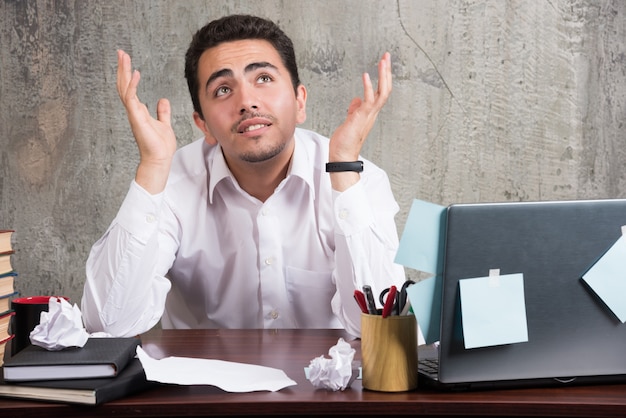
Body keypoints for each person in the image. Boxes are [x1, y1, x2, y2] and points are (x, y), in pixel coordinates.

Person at [81, 14, 406, 338]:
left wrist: (344, 169)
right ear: (203, 124)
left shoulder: (359, 179)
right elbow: (109, 325)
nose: (247, 102)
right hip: (202, 386)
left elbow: (380, 325)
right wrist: (152, 166)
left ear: (299, 101)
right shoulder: (171, 183)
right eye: (223, 89)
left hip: (334, 386)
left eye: (263, 78)